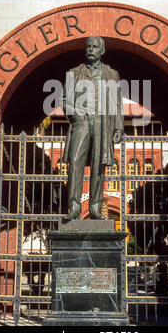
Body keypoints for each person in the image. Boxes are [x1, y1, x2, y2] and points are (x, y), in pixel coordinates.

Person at [62, 36, 124, 220]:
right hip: (81, 121)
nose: (91, 49)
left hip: (102, 122)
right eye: (88, 46)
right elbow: (65, 100)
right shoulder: (73, 73)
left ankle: (95, 207)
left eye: (95, 47)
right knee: (75, 162)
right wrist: (75, 113)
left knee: (99, 165)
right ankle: (73, 208)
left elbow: (117, 103)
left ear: (102, 50)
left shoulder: (112, 74)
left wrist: (119, 128)